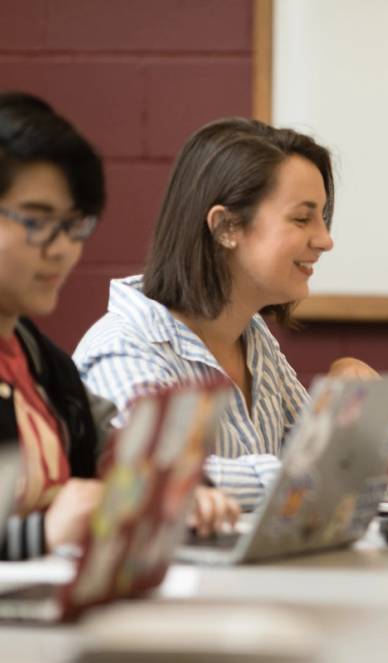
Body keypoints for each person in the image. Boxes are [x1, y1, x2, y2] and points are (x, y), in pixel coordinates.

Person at [74, 117, 388, 510]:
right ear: (226, 226)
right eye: (301, 218)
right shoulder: (125, 349)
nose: (326, 240)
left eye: (322, 218)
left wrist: (345, 401)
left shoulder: (252, 335)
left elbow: (316, 459)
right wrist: (335, 465)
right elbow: (161, 480)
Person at [0, 92, 237, 560]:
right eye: (38, 221)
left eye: (74, 226)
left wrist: (177, 489)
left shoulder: (37, 357)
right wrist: (40, 535)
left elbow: (119, 447)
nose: (62, 248)